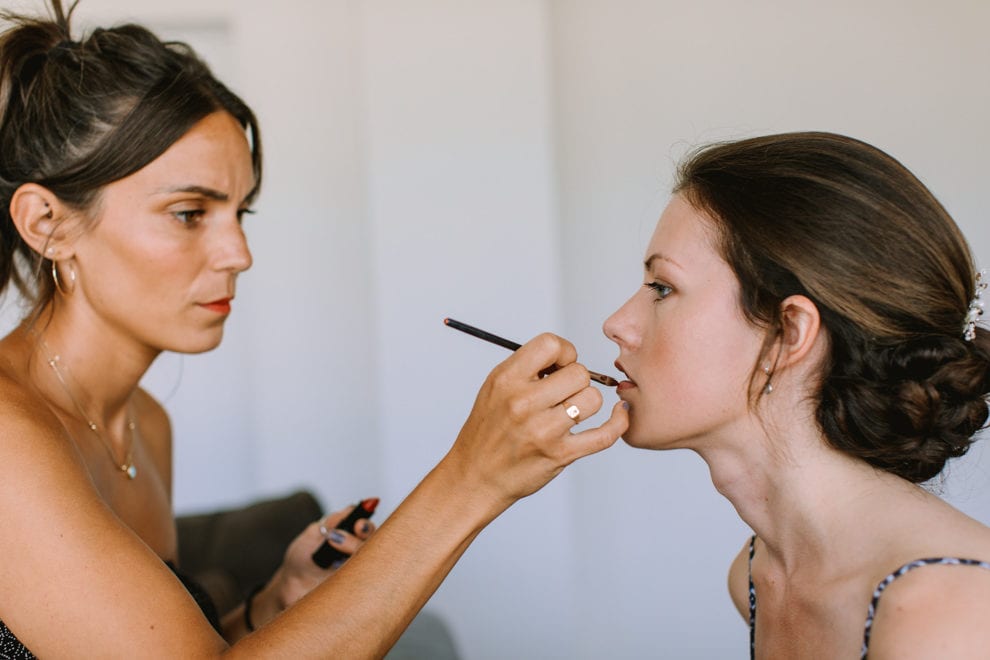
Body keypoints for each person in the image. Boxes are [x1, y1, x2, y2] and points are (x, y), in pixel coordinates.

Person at [0, 2, 628, 656]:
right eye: (190, 213)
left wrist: (279, 602)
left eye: (239, 212)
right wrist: (473, 477)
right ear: (48, 224)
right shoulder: (7, 436)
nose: (238, 253)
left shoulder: (145, 426)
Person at [603, 131, 990, 658]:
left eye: (663, 288)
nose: (618, 324)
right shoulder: (756, 574)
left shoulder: (947, 613)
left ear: (788, 333)